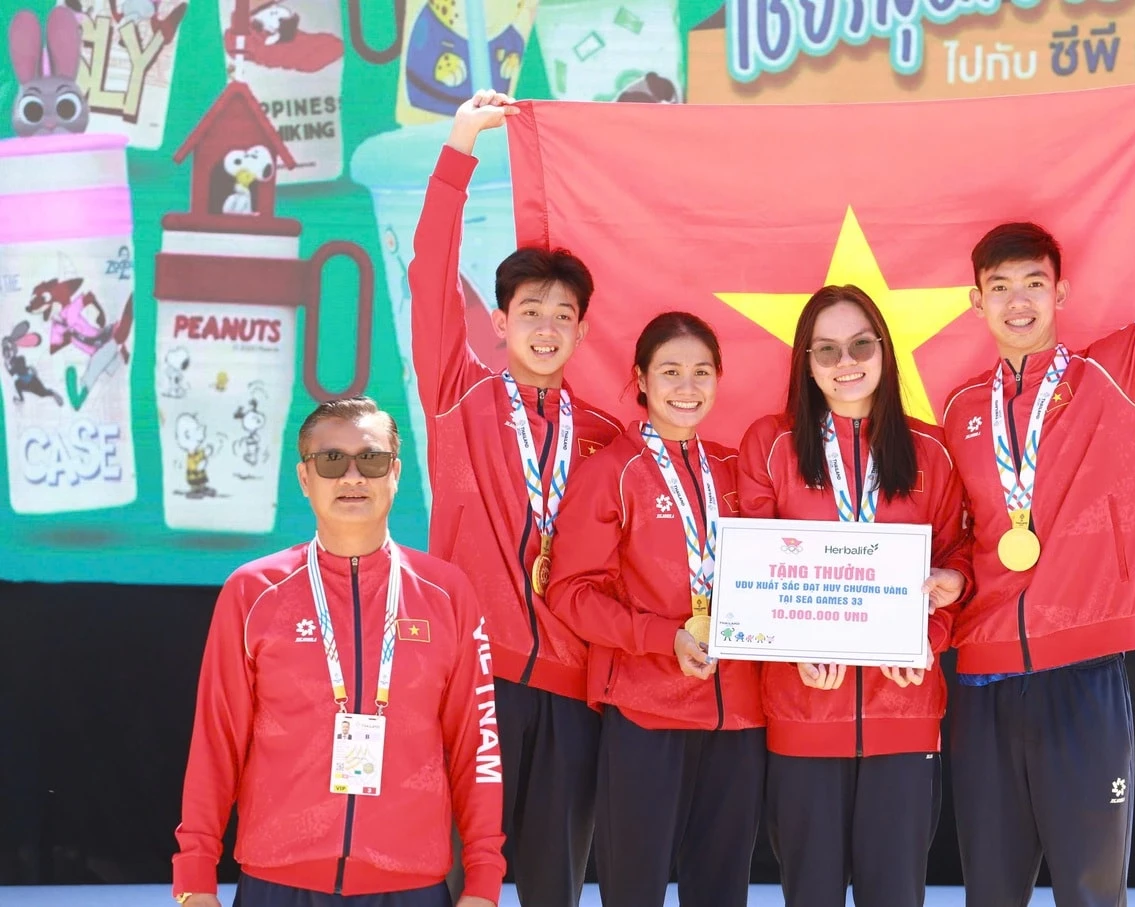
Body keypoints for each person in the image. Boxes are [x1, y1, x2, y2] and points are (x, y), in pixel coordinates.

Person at [939, 73, 1135, 906]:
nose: (1018, 301)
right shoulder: (958, 410)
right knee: (990, 890)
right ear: (976, 301)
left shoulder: (1120, 371)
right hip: (983, 678)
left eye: (1033, 283)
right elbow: (958, 534)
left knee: (1091, 890)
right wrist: (953, 577)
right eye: (1000, 287)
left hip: (1083, 671)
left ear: (1060, 292)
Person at [410, 90, 624, 906]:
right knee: (459, 881)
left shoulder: (606, 437)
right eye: (529, 311)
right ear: (498, 323)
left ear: (582, 332)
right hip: (474, 678)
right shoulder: (457, 396)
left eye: (563, 314)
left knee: (553, 887)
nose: (545, 326)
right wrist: (461, 146)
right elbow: (431, 273)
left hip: (572, 689)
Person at [171, 396, 504, 907]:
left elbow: (476, 746)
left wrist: (482, 882)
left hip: (410, 885)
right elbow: (217, 741)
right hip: (277, 880)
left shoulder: (447, 593)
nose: (352, 476)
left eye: (370, 459)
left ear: (395, 473)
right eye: (331, 460)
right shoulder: (252, 591)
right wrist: (194, 877)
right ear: (305, 478)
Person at [737, 284, 974, 907]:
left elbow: (957, 560)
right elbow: (750, 572)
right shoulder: (770, 443)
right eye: (827, 349)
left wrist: (929, 635)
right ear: (806, 363)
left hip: (905, 711)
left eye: (861, 345)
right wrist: (792, 646)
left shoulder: (931, 450)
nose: (846, 362)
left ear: (884, 351)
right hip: (803, 712)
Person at [546, 313, 765, 907]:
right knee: (634, 890)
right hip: (646, 712)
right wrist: (662, 638)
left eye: (701, 372)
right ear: (641, 379)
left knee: (722, 891)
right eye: (670, 372)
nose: (686, 387)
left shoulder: (735, 470)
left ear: (719, 379)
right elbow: (571, 592)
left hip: (737, 715)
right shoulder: (609, 472)